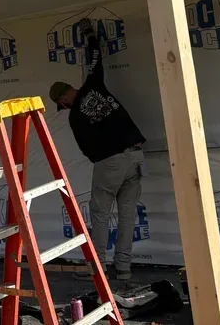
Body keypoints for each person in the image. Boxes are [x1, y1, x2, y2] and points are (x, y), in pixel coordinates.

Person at [49, 18, 145, 285]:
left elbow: (87, 151)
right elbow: (95, 58)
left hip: (110, 162)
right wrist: (90, 35)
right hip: (136, 155)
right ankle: (124, 269)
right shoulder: (94, 84)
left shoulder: (75, 117)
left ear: (63, 99)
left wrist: (106, 160)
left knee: (101, 214)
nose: (65, 108)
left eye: (62, 104)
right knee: (127, 215)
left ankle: (99, 267)